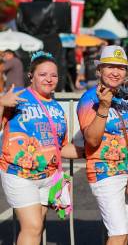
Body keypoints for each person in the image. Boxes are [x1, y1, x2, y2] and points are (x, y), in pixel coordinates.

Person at [0, 51, 82, 245]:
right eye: (43, 74)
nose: (49, 79)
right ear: (31, 75)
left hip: (47, 179)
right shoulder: (18, 97)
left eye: (53, 75)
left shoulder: (56, 107)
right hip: (19, 174)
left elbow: (60, 148)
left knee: (37, 229)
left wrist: (89, 151)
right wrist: (1, 103)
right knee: (33, 226)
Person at [77, 45, 128, 245]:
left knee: (126, 231)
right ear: (99, 71)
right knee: (118, 232)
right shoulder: (90, 99)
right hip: (105, 171)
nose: (115, 72)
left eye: (121, 68)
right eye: (110, 67)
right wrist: (104, 107)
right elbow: (92, 139)